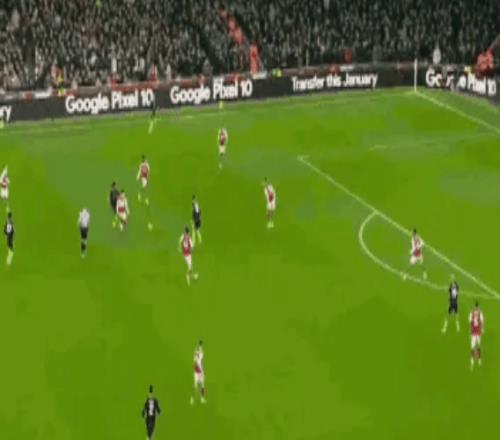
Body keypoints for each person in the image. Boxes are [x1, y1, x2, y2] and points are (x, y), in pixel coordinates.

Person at [469, 301, 484, 370]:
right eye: (476, 307)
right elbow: (481, 321)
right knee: (474, 347)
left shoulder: (473, 313)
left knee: (476, 347)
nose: (476, 308)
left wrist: (482, 328)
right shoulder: (478, 313)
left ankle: (478, 360)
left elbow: (470, 321)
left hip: (476, 332)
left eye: (476, 307)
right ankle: (473, 362)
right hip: (475, 332)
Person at [190, 340, 206, 405]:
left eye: (201, 347)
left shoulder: (201, 354)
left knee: (202, 385)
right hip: (196, 373)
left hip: (201, 372)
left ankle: (202, 398)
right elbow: (195, 360)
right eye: (200, 347)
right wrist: (196, 353)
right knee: (195, 385)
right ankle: (192, 399)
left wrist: (196, 352)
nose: (201, 348)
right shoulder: (196, 355)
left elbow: (200, 358)